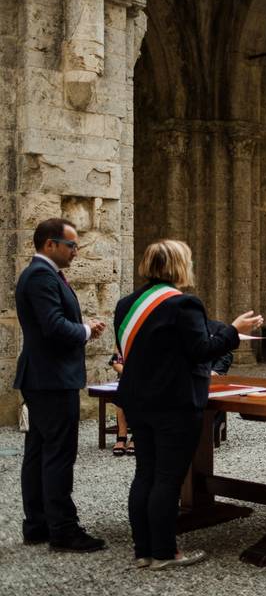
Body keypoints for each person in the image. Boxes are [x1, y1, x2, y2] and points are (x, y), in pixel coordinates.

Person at [114, 239, 262, 570]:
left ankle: (143, 551)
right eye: (189, 260)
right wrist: (234, 331)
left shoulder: (126, 304)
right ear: (178, 266)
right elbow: (201, 350)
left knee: (145, 474)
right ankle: (165, 553)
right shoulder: (184, 304)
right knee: (168, 478)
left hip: (137, 400)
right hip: (173, 404)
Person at [14, 218, 107, 552]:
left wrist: (81, 324)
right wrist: (83, 331)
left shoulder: (43, 275)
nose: (75, 251)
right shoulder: (41, 276)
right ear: (49, 244)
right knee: (58, 454)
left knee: (38, 452)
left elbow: (47, 323)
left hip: (43, 376)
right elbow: (53, 327)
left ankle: (37, 524)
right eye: (71, 245)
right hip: (51, 378)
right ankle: (63, 530)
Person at [107, 353, 134, 456]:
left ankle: (137, 436)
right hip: (126, 378)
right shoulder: (123, 337)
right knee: (123, 392)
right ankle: (121, 436)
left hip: (145, 377)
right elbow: (116, 362)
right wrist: (129, 375)